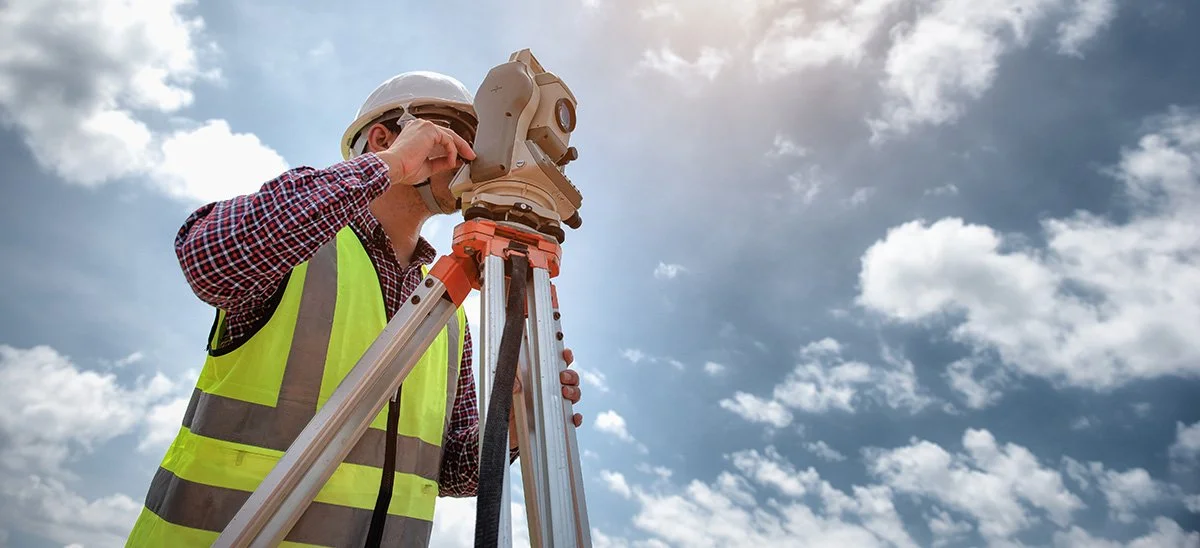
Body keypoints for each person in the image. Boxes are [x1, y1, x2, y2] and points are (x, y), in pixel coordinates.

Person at [124, 70, 584, 547]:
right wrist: (388, 166)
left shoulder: (447, 311)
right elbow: (211, 259)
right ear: (384, 137)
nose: (473, 153)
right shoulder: (302, 246)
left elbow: (451, 472)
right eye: (456, 134)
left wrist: (514, 422)